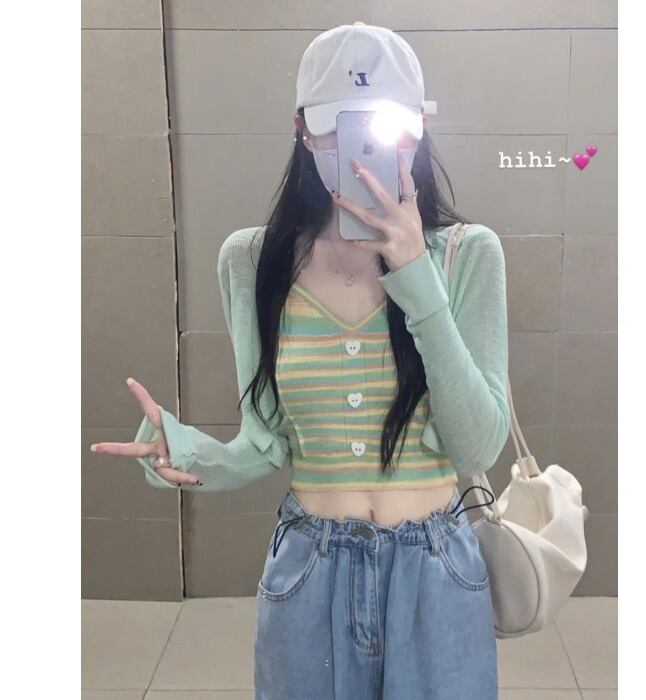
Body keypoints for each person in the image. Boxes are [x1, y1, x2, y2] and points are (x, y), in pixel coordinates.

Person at [91, 22, 509, 700]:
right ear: (303, 132)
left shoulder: (468, 254)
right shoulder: (252, 262)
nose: (363, 150)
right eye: (338, 129)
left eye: (386, 129)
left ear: (419, 131)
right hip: (311, 570)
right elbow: (267, 444)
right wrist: (189, 452)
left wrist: (415, 272)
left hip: (437, 575)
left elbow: (478, 445)